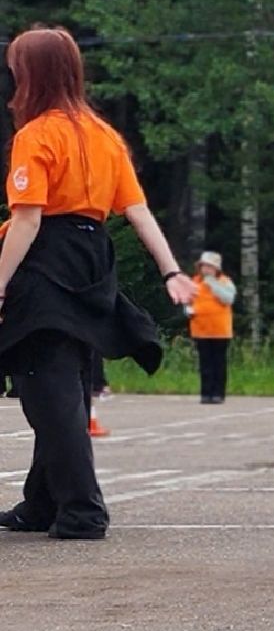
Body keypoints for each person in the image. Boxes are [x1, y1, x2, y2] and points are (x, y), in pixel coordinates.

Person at [0, 26, 192, 539]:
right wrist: (171, 270)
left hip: (47, 259)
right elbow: (137, 211)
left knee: (48, 391)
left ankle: (83, 510)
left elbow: (28, 220)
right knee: (68, 388)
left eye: (17, 64)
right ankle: (41, 504)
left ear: (32, 73)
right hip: (92, 259)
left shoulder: (36, 136)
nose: (12, 71)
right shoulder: (104, 135)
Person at [185, 250, 235, 404]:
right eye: (204, 266)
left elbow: (228, 299)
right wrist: (188, 310)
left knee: (219, 363)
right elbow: (188, 300)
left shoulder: (225, 282)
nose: (206, 269)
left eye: (209, 266)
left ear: (216, 269)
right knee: (205, 363)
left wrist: (212, 284)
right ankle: (206, 393)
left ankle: (218, 393)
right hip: (201, 330)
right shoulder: (195, 282)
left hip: (220, 331)